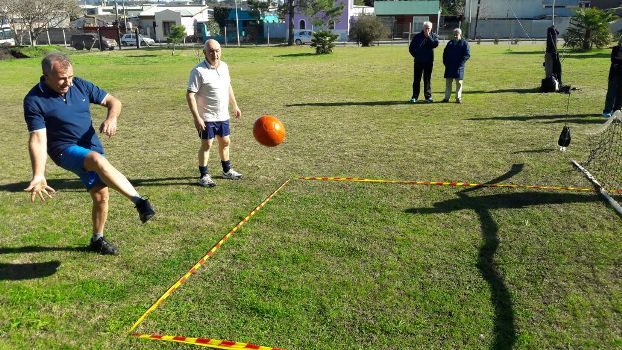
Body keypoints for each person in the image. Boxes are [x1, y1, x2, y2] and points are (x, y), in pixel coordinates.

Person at [23, 53, 156, 256]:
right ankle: (140, 203)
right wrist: (39, 174)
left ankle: (97, 239)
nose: (68, 82)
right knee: (97, 160)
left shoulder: (80, 85)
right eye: (61, 78)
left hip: (91, 145)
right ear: (46, 76)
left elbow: (114, 101)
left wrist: (112, 119)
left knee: (101, 195)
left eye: (70, 77)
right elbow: (38, 139)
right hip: (63, 150)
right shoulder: (34, 100)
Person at [186, 39, 242, 187]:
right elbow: (190, 95)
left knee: (225, 142)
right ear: (205, 52)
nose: (214, 54)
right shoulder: (198, 71)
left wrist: (235, 105)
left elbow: (228, 86)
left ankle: (227, 170)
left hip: (223, 115)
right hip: (207, 117)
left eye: (217, 50)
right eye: (211, 51)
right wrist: (197, 118)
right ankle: (204, 175)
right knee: (207, 145)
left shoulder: (224, 67)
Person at [408, 21, 439, 103]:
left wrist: (429, 37)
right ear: (423, 28)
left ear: (431, 28)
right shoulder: (417, 37)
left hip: (429, 62)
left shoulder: (434, 36)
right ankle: (414, 97)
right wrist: (417, 56)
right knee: (416, 79)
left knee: (427, 79)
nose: (427, 30)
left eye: (428, 28)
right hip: (418, 61)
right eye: (425, 28)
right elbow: (411, 48)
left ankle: (428, 97)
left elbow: (435, 44)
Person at [442, 28, 471, 104]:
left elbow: (467, 55)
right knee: (448, 83)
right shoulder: (450, 43)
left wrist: (461, 63)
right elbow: (445, 53)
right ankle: (446, 98)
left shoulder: (464, 43)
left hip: (459, 67)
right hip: (449, 67)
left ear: (460, 34)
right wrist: (445, 62)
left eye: (456, 34)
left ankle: (458, 98)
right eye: (454, 34)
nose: (455, 36)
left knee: (459, 83)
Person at [603, 35, 622, 117]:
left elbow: (617, 61)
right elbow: (614, 60)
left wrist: (619, 62)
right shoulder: (616, 49)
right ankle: (607, 111)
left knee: (620, 94)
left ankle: (616, 110)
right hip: (614, 75)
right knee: (611, 93)